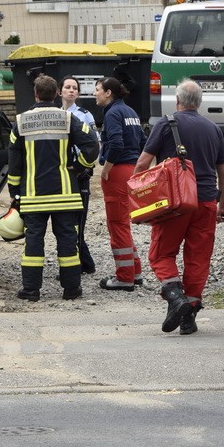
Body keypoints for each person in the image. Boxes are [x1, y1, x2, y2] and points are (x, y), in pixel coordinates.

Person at [135, 80, 224, 335]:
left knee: (161, 254)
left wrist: (138, 197)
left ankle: (174, 296)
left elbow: (143, 164)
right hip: (207, 201)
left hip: (175, 202)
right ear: (199, 103)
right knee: (198, 259)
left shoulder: (165, 124)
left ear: (177, 100)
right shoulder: (213, 128)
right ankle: (188, 317)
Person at [8, 74, 99, 302]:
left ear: (36, 94)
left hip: (33, 196)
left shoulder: (20, 122)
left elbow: (14, 165)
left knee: (33, 243)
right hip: (65, 195)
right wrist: (78, 168)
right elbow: (93, 146)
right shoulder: (69, 119)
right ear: (56, 94)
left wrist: (14, 193)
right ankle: (71, 289)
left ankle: (31, 290)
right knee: (68, 241)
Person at [95, 76, 146, 291]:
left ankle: (124, 277)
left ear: (108, 93)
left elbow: (116, 143)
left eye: (97, 89)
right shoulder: (130, 112)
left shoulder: (113, 113)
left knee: (117, 224)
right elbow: (144, 142)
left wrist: (106, 170)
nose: (95, 93)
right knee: (123, 223)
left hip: (118, 171)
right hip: (131, 170)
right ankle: (135, 272)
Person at [59, 75, 98, 274]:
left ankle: (81, 263)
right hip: (60, 174)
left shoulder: (85, 114)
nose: (71, 90)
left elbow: (94, 144)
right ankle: (83, 262)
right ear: (60, 91)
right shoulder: (54, 114)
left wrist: (80, 166)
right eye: (68, 87)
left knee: (78, 219)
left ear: (79, 93)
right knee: (65, 220)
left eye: (75, 88)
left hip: (79, 172)